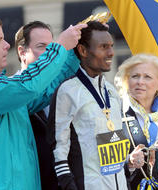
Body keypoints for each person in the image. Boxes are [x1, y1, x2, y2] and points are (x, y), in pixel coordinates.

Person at [0, 14, 87, 190]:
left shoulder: (1, 87)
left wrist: (73, 53)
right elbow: (27, 85)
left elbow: (45, 89)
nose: (7, 45)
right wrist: (59, 47)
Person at [47, 20, 130, 190]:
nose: (111, 52)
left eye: (112, 46)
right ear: (83, 50)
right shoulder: (67, 91)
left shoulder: (112, 91)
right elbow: (59, 152)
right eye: (103, 47)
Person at [15, 20, 79, 190]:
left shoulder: (64, 89)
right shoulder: (12, 93)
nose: (49, 53)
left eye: (52, 47)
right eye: (42, 47)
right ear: (22, 52)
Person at [114, 53, 158, 190]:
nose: (140, 82)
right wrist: (129, 163)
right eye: (135, 76)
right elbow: (105, 164)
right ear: (126, 81)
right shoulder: (114, 113)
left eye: (147, 77)